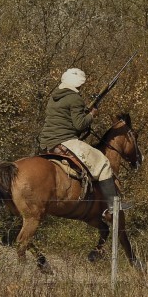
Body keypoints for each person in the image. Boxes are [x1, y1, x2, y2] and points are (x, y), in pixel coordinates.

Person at [37, 68, 123, 215]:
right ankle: (112, 206)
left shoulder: (54, 97)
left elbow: (66, 118)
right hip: (64, 141)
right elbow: (80, 125)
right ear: (77, 84)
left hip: (46, 142)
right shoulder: (75, 98)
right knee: (103, 163)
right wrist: (91, 114)